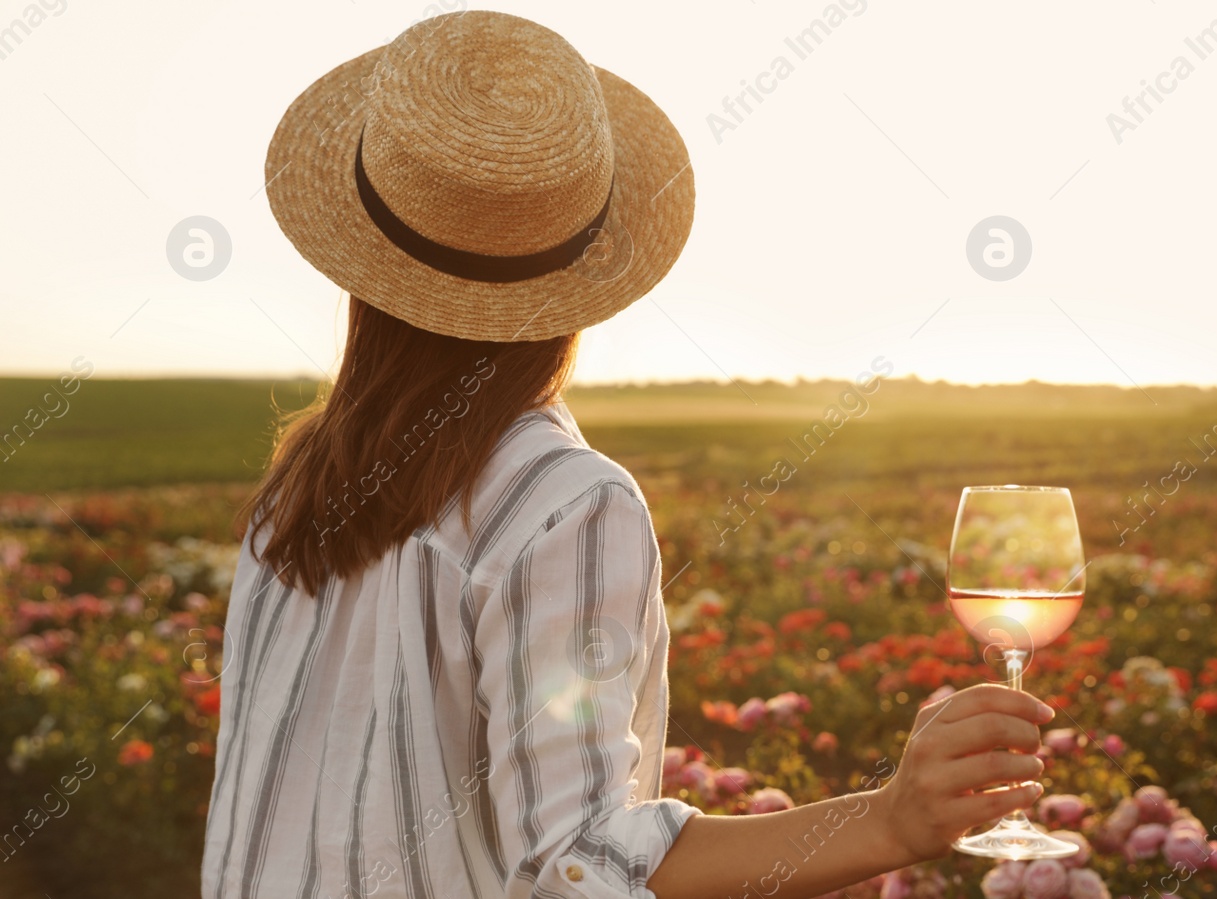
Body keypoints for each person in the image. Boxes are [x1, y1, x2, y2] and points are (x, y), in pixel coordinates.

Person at [202, 10, 1052, 898]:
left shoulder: (296, 493)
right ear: (584, 262)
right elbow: (577, 861)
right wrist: (890, 819)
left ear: (365, 255)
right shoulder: (566, 502)